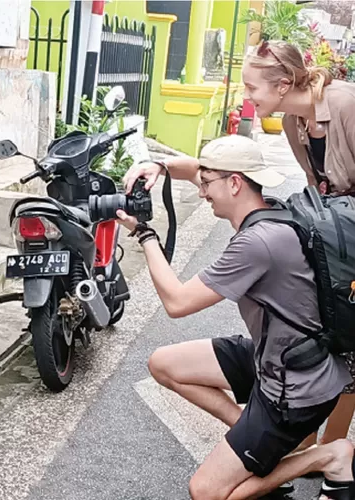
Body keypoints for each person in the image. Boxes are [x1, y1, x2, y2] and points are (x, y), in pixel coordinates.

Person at [118, 135, 354, 500]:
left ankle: (326, 456)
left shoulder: (257, 243)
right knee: (163, 364)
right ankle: (252, 438)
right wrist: (160, 167)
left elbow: (177, 303)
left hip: (293, 388)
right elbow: (199, 172)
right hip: (275, 357)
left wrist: (146, 235)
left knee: (207, 492)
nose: (201, 191)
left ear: (234, 183)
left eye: (207, 184)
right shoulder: (269, 208)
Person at [242, 39, 355, 451]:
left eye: (252, 87)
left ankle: (331, 452)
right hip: (337, 242)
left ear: (284, 84)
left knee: (350, 345)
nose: (247, 97)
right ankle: (306, 444)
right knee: (321, 334)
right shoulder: (295, 124)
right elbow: (315, 186)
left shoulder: (345, 104)